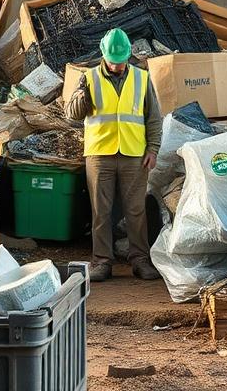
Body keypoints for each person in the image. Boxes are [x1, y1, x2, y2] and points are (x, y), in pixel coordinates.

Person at [65, 27, 163, 282]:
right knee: (100, 211)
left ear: (128, 56)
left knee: (136, 210)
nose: (118, 66)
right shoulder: (89, 78)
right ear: (103, 55)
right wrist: (81, 99)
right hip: (99, 154)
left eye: (121, 62)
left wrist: (153, 149)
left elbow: (153, 118)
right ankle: (101, 262)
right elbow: (72, 114)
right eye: (113, 61)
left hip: (134, 154)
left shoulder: (142, 78)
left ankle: (140, 260)